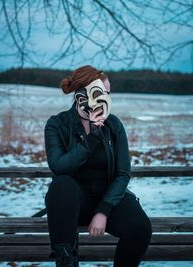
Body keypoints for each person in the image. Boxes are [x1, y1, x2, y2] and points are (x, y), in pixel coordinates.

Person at [44, 65, 152, 267]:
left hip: (109, 197)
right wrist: (90, 140)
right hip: (72, 202)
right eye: (101, 92)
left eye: (108, 94)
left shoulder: (113, 125)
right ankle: (66, 260)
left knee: (140, 228)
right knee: (61, 185)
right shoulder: (57, 124)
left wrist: (103, 211)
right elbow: (59, 167)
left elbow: (122, 173)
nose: (106, 98)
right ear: (82, 95)